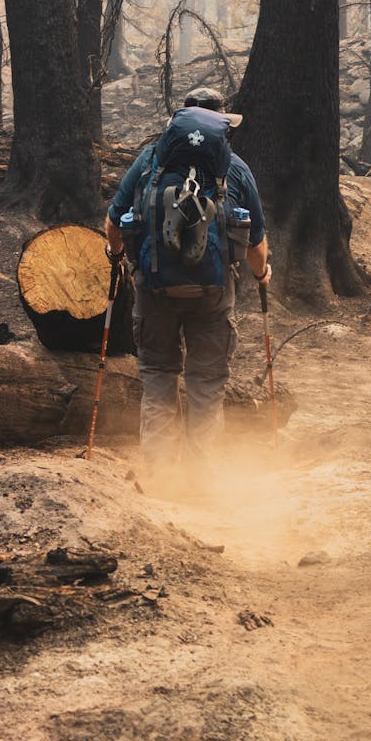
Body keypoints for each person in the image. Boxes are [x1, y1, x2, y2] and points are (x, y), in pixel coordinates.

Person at [105, 85, 270, 481]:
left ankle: (161, 476)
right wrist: (262, 274)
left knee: (160, 377)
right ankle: (203, 480)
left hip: (154, 289)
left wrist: (118, 257)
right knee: (206, 385)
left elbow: (113, 222)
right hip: (214, 294)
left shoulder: (150, 160)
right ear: (222, 123)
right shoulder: (236, 169)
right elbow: (257, 245)